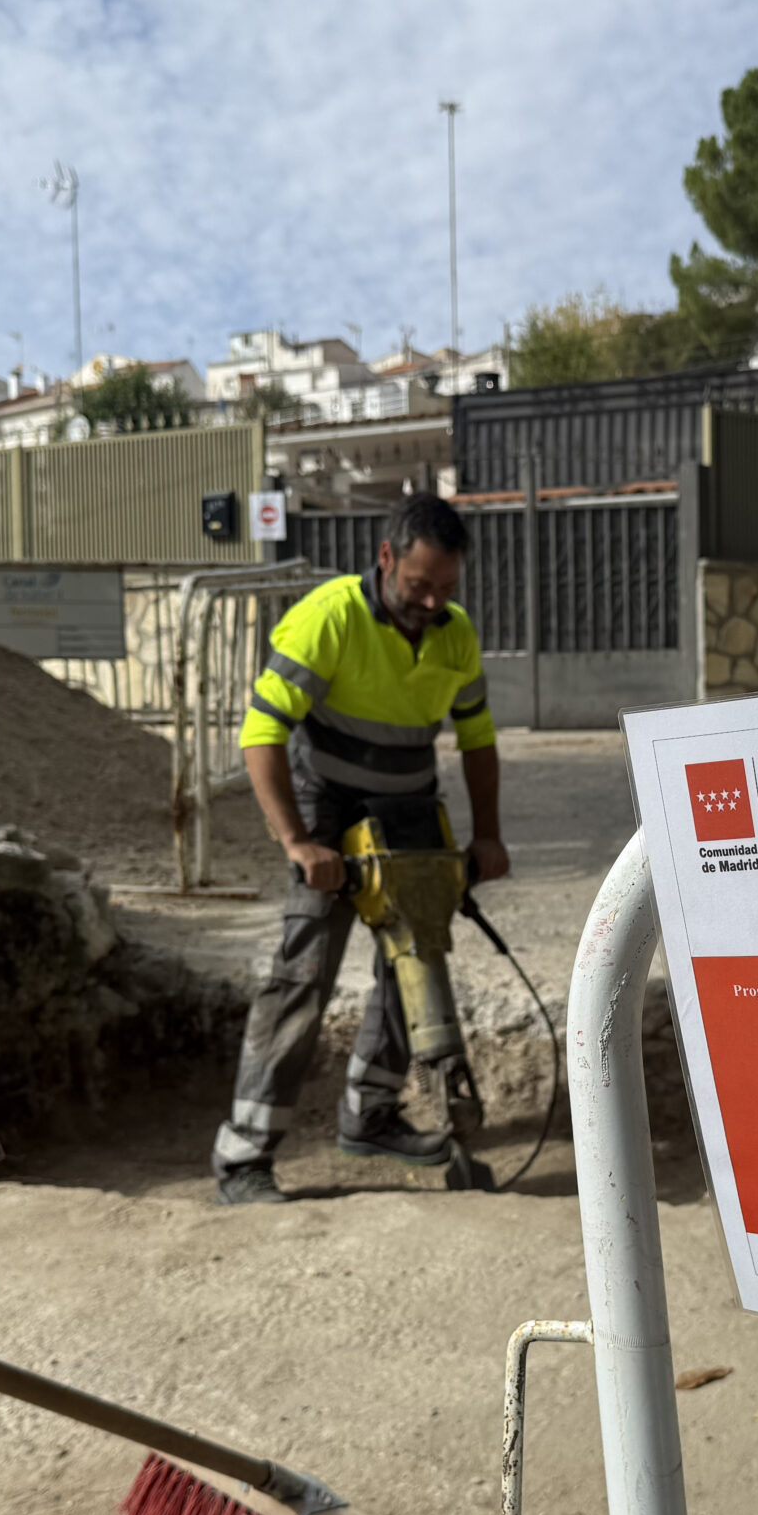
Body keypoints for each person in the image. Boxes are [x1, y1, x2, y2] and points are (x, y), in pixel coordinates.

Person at [210, 493, 508, 1205]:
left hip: (409, 808)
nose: (432, 602)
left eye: (446, 588)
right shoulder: (330, 617)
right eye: (419, 584)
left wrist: (488, 834)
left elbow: (477, 740)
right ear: (385, 559)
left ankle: (370, 1115)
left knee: (416, 962)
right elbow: (262, 734)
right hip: (327, 808)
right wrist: (297, 842)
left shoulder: (455, 634)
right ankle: (244, 1156)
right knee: (303, 974)